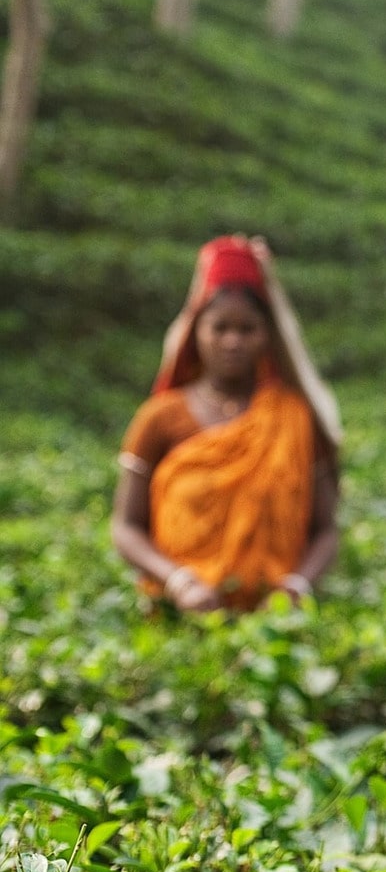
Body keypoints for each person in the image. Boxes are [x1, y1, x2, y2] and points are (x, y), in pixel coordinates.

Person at [111, 236, 342, 612]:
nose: (232, 341)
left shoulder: (294, 417)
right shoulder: (160, 418)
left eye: (247, 329)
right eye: (219, 328)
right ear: (196, 331)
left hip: (276, 622)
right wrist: (178, 581)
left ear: (267, 335)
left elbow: (326, 529)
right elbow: (125, 527)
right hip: (177, 613)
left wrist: (296, 587)